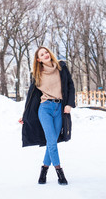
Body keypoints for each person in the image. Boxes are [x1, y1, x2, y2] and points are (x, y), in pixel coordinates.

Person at [18, 46, 75, 185]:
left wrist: (69, 104)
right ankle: (60, 173)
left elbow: (70, 85)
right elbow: (31, 97)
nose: (45, 55)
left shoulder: (61, 67)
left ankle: (43, 169)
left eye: (46, 52)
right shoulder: (37, 74)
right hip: (45, 109)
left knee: (52, 142)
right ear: (38, 59)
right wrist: (24, 115)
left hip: (60, 108)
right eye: (41, 54)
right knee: (51, 141)